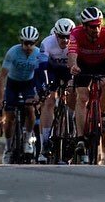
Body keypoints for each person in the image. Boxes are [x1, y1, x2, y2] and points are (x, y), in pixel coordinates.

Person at [68, 6, 105, 164]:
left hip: (102, 63)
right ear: (84, 26)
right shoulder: (76, 33)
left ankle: (103, 114)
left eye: (99, 25)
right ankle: (80, 138)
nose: (97, 29)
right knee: (82, 97)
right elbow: (72, 54)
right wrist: (73, 66)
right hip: (82, 64)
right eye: (92, 26)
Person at [0, 25, 42, 164]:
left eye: (31, 43)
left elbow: (40, 77)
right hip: (13, 84)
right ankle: (8, 149)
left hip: (29, 84)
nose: (28, 46)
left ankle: (28, 139)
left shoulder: (39, 54)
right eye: (25, 43)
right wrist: (0, 99)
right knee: (9, 116)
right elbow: (2, 77)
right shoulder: (13, 52)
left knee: (30, 109)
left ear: (36, 43)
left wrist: (38, 95)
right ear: (21, 41)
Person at [36, 18, 76, 164]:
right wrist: (46, 85)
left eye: (68, 36)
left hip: (69, 70)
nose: (65, 40)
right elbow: (43, 67)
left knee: (74, 94)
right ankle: (45, 143)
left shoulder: (76, 42)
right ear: (55, 34)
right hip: (51, 71)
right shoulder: (47, 42)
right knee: (49, 101)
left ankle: (71, 125)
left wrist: (73, 82)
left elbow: (78, 66)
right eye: (61, 36)